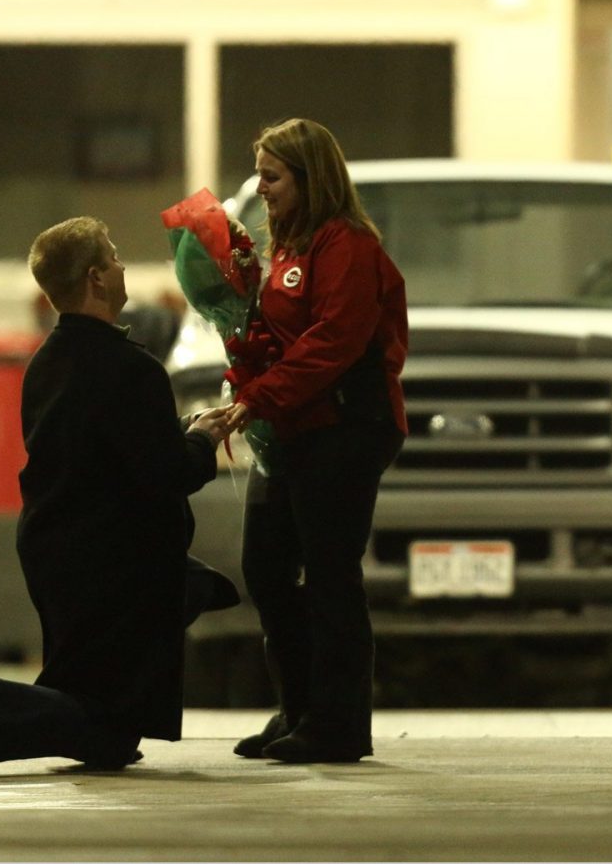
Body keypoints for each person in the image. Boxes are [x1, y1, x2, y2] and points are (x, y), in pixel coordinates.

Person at [0, 217, 246, 777]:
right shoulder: (132, 369)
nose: (121, 267)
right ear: (95, 278)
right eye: (113, 258)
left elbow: (104, 451)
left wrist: (180, 429)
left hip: (58, 551)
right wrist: (202, 439)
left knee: (102, 723)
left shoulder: (46, 362)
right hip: (111, 564)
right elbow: (167, 473)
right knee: (103, 728)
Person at [226, 118, 408, 764]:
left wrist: (253, 398)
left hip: (344, 427)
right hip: (291, 428)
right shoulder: (290, 246)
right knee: (267, 568)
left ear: (312, 178)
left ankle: (338, 724)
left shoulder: (347, 246)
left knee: (330, 575)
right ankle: (299, 708)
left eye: (273, 177)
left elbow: (333, 342)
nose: (262, 188)